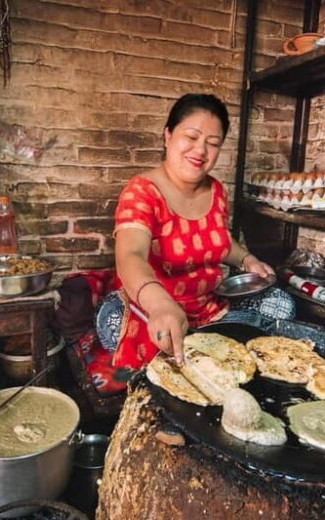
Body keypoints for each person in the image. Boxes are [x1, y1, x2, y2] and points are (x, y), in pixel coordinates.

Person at [98, 93, 294, 370]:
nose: (200, 151)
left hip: (209, 308)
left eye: (212, 144)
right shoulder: (142, 191)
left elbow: (219, 241)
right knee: (114, 323)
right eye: (191, 137)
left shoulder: (217, 190)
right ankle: (199, 348)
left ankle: (204, 345)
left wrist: (247, 260)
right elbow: (130, 255)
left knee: (281, 304)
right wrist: (160, 305)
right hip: (153, 309)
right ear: (168, 135)